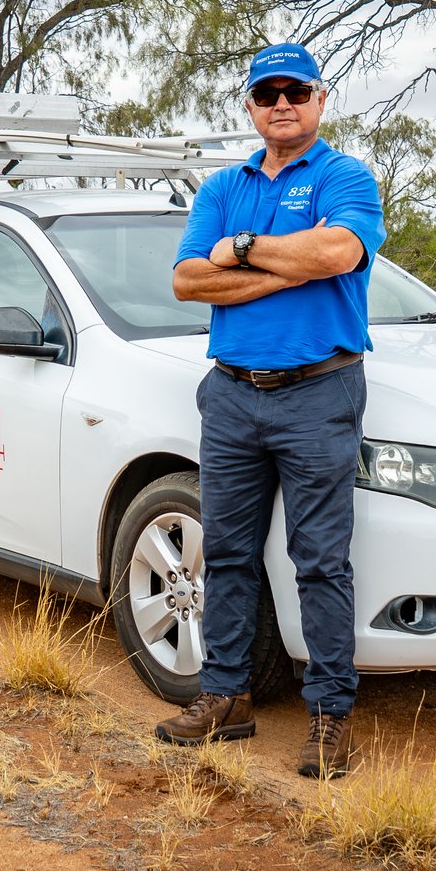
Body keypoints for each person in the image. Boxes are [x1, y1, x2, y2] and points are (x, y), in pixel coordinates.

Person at [160, 42, 384, 778]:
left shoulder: (346, 176)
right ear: (250, 107)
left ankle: (329, 714)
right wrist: (287, 263)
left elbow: (338, 256)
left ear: (321, 100)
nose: (281, 103)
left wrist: (246, 251)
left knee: (320, 562)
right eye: (267, 93)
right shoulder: (223, 184)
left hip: (320, 391)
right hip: (231, 394)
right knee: (225, 552)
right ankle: (227, 696)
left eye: (295, 90)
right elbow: (189, 281)